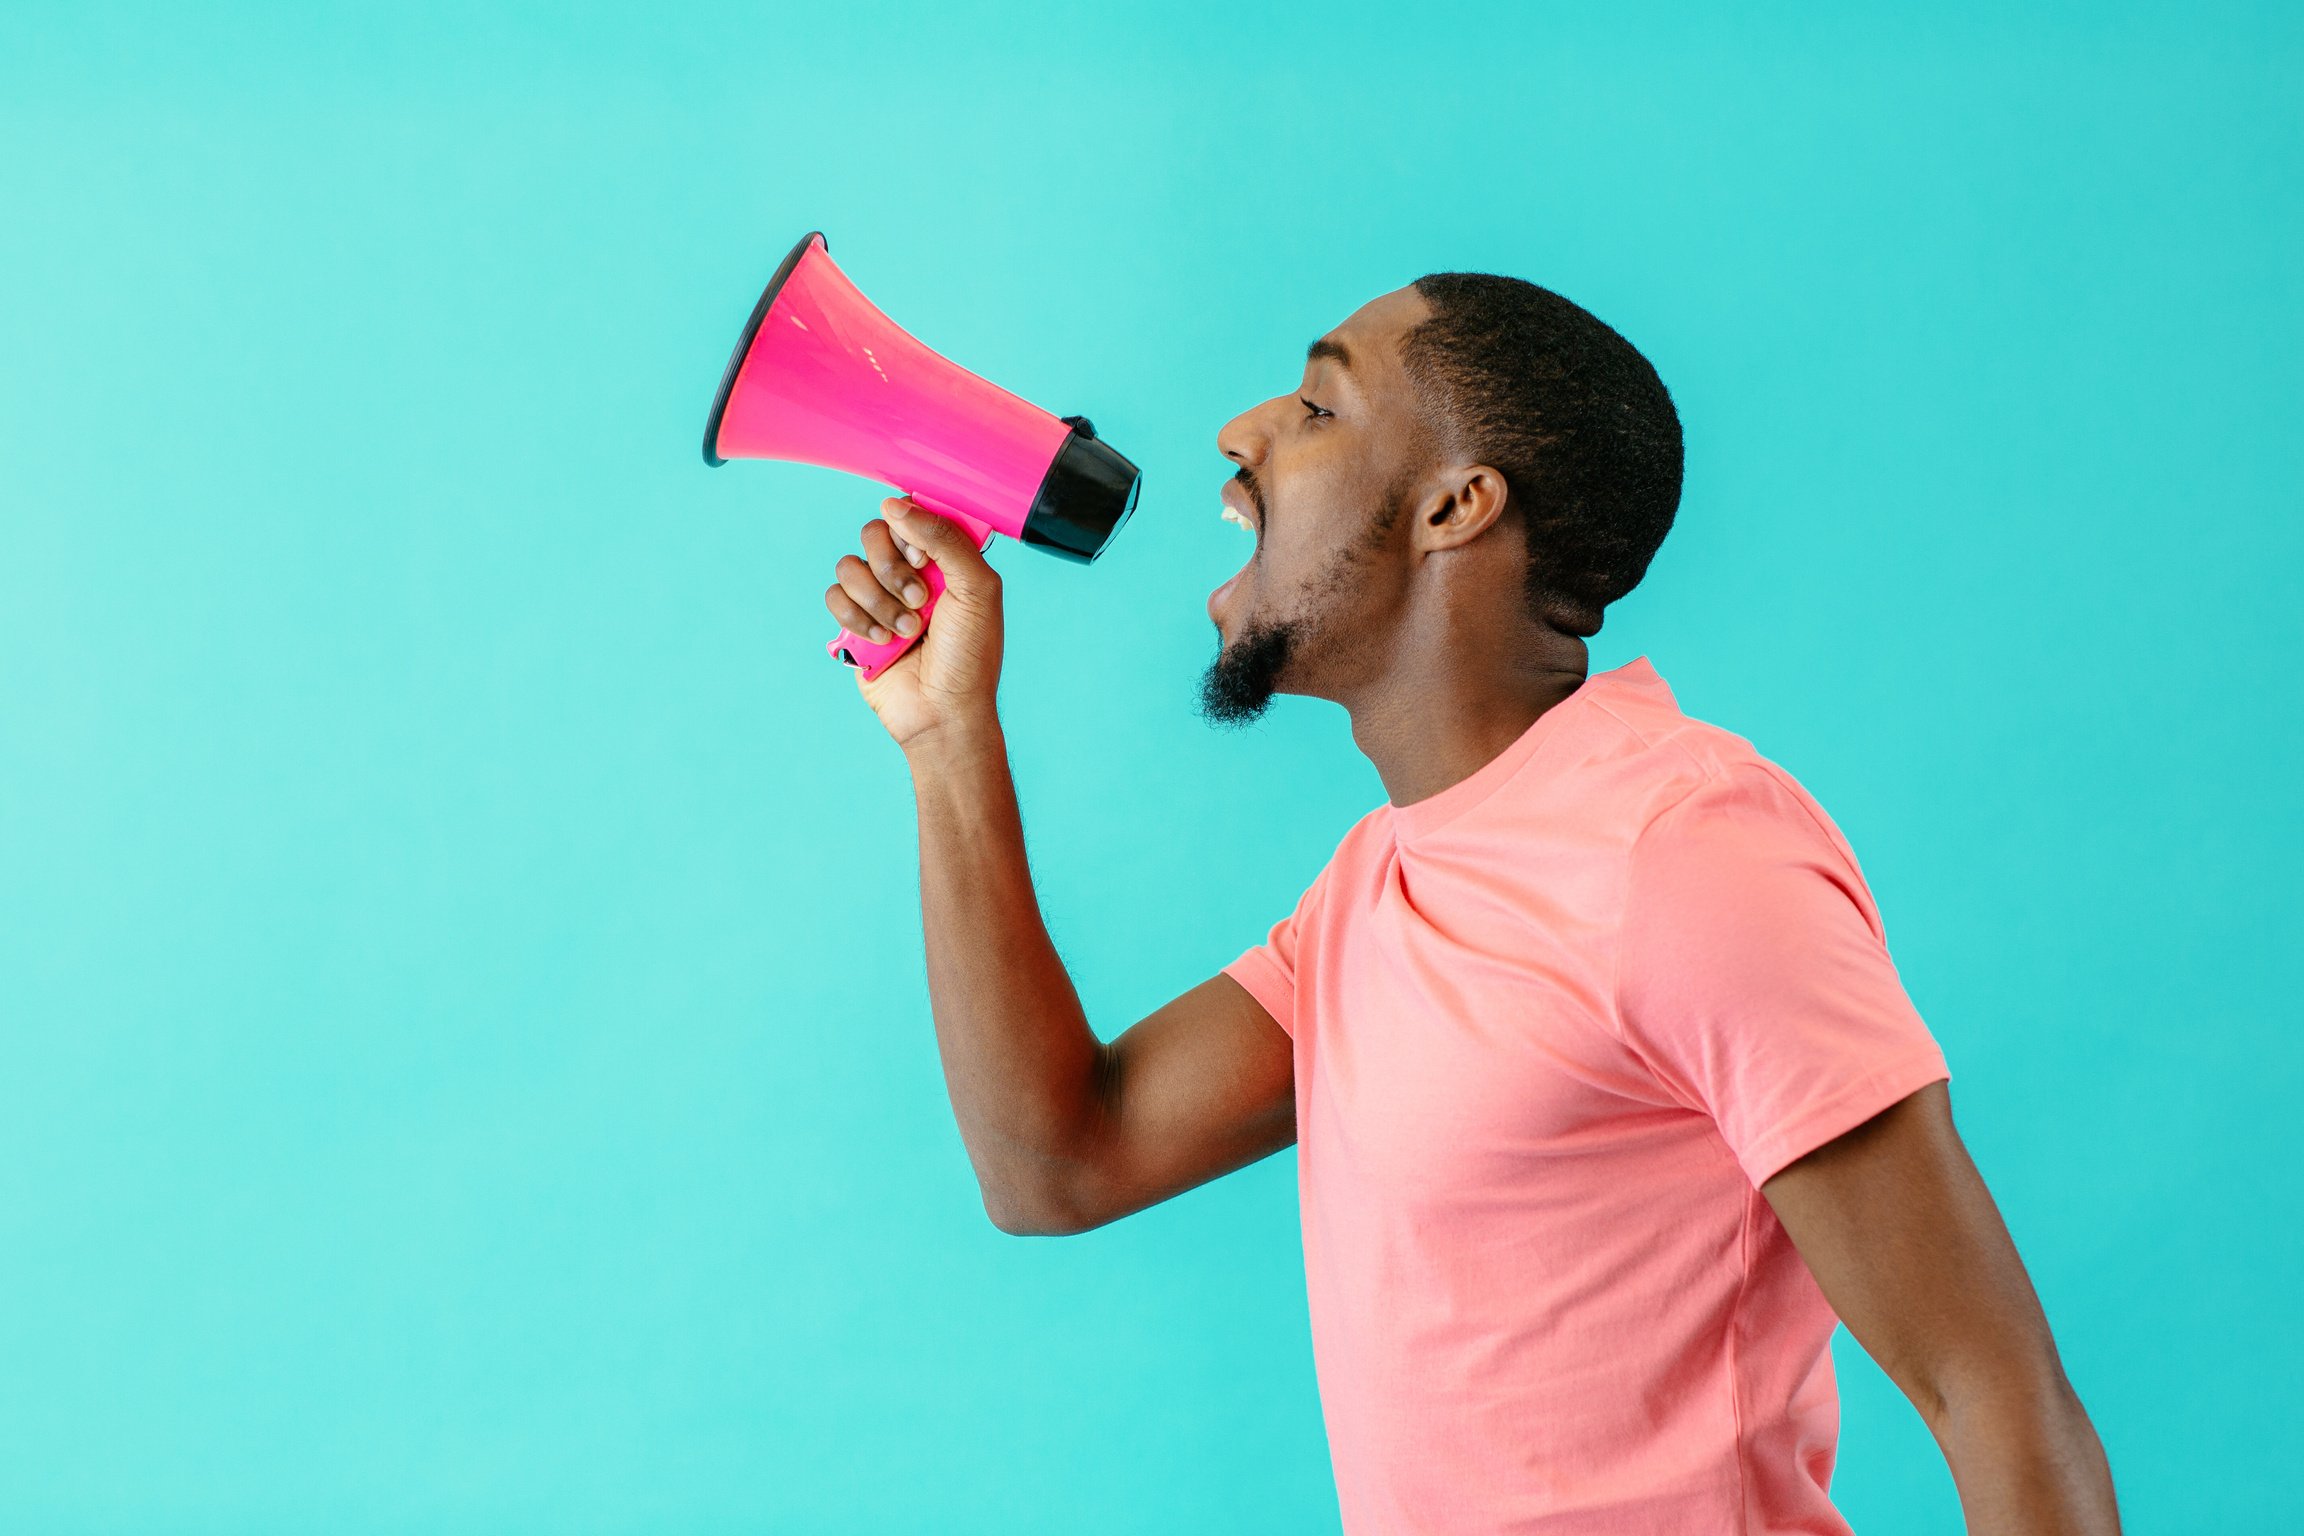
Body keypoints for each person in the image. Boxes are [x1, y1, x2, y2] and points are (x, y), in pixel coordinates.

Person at [819, 272, 2119, 1535]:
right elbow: (1058, 1162)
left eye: (1319, 408)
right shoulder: (1379, 884)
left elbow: (1992, 1394)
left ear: (1456, 505)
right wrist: (947, 737)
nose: (1241, 432)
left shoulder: (1690, 856)